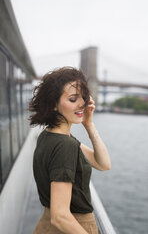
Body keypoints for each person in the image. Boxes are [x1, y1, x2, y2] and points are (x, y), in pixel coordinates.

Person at [29, 67, 111, 234]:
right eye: (73, 99)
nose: (82, 103)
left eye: (83, 97)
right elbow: (60, 216)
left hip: (46, 225)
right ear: (53, 104)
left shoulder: (48, 136)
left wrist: (89, 124)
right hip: (74, 225)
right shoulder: (64, 145)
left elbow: (103, 163)